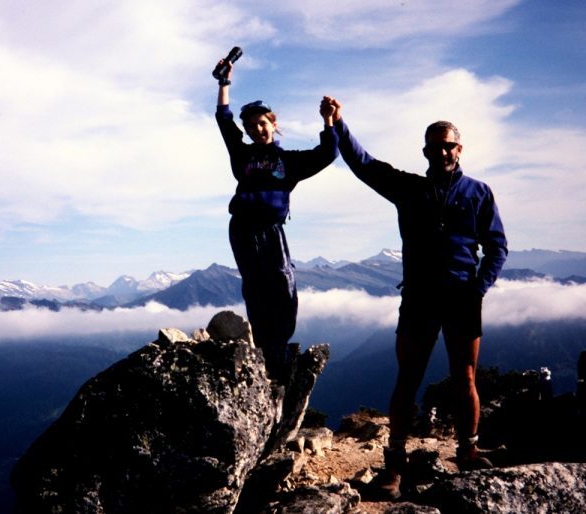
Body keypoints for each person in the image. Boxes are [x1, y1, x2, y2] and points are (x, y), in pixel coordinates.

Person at [326, 98, 507, 498]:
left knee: (466, 378)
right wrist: (338, 124)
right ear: (425, 150)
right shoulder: (409, 188)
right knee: (407, 380)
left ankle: (468, 451)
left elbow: (497, 246)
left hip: (463, 297)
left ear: (460, 149)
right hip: (420, 298)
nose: (443, 151)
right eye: (436, 145)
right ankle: (394, 467)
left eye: (450, 145)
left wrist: (478, 287)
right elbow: (365, 165)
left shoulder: (479, 193)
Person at [215, 60, 339, 382]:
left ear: (273, 123)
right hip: (242, 229)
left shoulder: (289, 161)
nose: (257, 130)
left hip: (271, 230)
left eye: (262, 123)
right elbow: (224, 120)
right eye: (251, 126)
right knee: (256, 289)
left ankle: (278, 352)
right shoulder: (242, 155)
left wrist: (329, 121)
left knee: (283, 288)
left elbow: (327, 154)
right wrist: (224, 84)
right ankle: (266, 356)